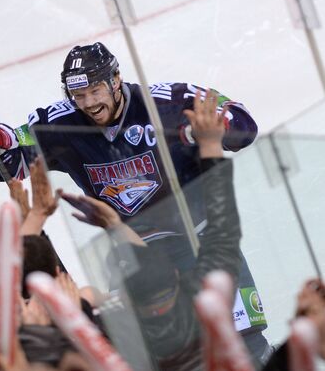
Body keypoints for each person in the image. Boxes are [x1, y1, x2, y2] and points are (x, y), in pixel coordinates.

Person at [0, 42, 269, 363]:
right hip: (136, 260)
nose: (88, 103)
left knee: (247, 347)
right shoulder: (60, 123)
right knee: (162, 359)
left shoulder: (168, 102)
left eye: (95, 90)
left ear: (115, 80)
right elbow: (11, 160)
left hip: (198, 243)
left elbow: (244, 124)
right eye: (79, 96)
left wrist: (212, 129)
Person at [59, 91, 247, 371]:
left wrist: (115, 226)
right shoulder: (206, 302)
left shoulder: (121, 340)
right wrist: (210, 144)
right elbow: (223, 230)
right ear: (177, 275)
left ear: (123, 300)